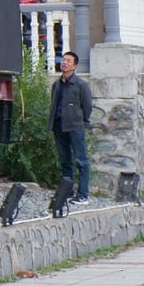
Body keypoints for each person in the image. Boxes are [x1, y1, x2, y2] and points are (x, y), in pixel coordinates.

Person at [51, 50, 93, 203]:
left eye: (68, 61)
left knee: (81, 160)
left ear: (74, 66)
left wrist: (82, 121)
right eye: (63, 60)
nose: (64, 62)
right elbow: (54, 104)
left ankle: (83, 195)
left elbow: (87, 106)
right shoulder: (56, 84)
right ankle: (67, 191)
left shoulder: (81, 84)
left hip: (75, 126)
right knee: (65, 160)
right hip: (59, 125)